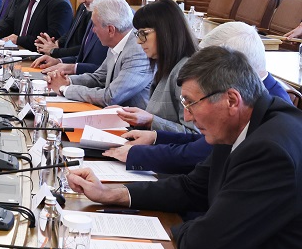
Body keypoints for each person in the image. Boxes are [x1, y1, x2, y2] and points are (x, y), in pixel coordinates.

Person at [67, 46, 302, 249]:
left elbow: (204, 243)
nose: (187, 117)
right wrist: (110, 194)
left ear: (231, 100)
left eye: (191, 103)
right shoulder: (236, 126)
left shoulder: (270, 150)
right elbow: (192, 188)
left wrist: (180, 229)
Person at [106, 21, 292, 173]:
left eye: (208, 66)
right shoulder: (254, 93)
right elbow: (201, 141)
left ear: (236, 66)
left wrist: (139, 154)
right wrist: (156, 137)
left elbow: (202, 153)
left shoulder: (268, 112)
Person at [48, 0, 152, 108]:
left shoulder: (138, 51)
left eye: (95, 25)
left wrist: (64, 89)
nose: (93, 30)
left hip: (128, 118)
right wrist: (67, 80)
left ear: (110, 30)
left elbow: (111, 97)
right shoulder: (116, 41)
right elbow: (99, 77)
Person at [113, 0, 199, 132]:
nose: (138, 41)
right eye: (138, 34)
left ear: (165, 31)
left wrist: (150, 121)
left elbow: (194, 134)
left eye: (143, 34)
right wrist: (127, 114)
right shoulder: (166, 65)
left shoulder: (186, 71)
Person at [32, 0, 113, 74]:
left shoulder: (118, 21)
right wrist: (58, 61)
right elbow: (82, 57)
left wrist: (70, 68)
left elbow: (107, 70)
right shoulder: (94, 11)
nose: (81, 0)